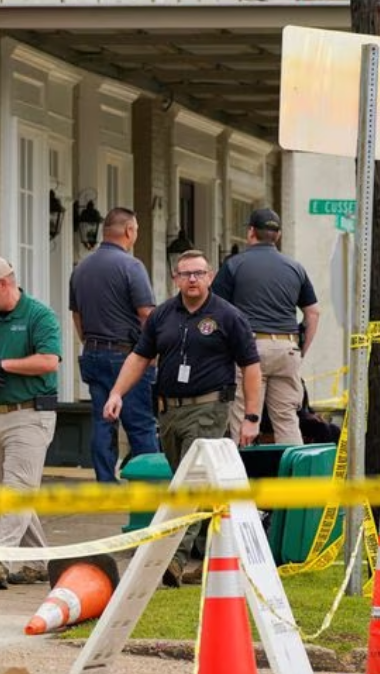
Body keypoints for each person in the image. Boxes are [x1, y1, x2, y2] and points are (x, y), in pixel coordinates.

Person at [105, 250, 262, 585]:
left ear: (210, 276)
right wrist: (116, 393)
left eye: (199, 273)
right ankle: (216, 548)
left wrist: (251, 416)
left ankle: (173, 560)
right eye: (186, 274)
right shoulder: (162, 315)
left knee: (188, 484)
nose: (192, 279)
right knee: (189, 482)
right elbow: (139, 357)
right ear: (175, 278)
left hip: (209, 408)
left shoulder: (228, 316)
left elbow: (251, 367)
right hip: (169, 411)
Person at [0, 256, 62, 589]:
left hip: (30, 415)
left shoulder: (39, 316)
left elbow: (48, 361)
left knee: (17, 489)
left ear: (4, 284)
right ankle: (38, 562)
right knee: (10, 492)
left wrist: (3, 365)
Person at [212, 207, 320, 445]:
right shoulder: (295, 268)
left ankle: (244, 478)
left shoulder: (234, 265)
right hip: (287, 348)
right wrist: (300, 350)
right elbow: (313, 313)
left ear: (251, 232)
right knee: (287, 419)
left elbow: (216, 310)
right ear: (278, 235)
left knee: (244, 418)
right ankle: (293, 478)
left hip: (250, 350)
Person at [69, 206, 159, 482]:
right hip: (126, 356)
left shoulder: (81, 268)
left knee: (102, 420)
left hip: (93, 353)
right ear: (129, 231)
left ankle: (105, 484)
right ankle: (151, 485)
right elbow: (147, 314)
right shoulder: (132, 266)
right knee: (141, 424)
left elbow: (77, 316)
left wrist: (90, 342)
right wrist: (152, 353)